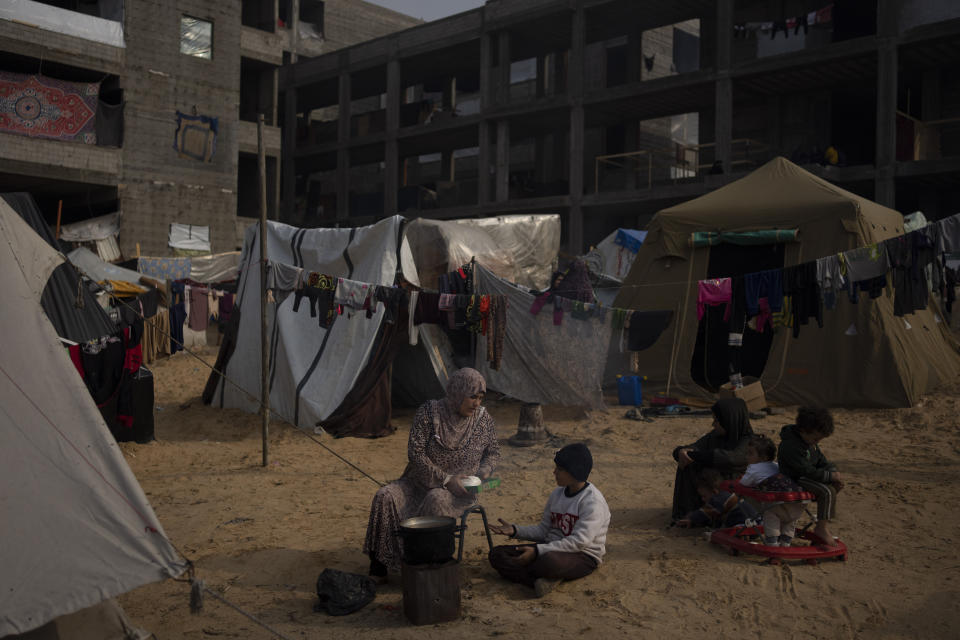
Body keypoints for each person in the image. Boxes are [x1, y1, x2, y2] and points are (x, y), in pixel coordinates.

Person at [363, 368, 500, 580]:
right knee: (385, 495)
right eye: (472, 396)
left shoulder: (483, 420)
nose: (477, 403)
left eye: (480, 397)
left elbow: (493, 453)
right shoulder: (429, 412)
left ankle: (426, 564)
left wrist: (482, 474)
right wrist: (445, 479)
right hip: (418, 482)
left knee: (436, 498)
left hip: (458, 493)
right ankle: (379, 564)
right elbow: (415, 453)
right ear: (457, 392)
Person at [488, 443, 610, 598]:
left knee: (549, 562)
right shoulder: (557, 494)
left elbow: (579, 542)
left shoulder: (592, 502)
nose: (554, 472)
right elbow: (543, 530)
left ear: (574, 472)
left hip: (582, 556)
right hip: (549, 547)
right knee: (496, 554)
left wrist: (537, 552)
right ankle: (544, 580)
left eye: (559, 469)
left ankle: (540, 574)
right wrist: (515, 530)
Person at [671, 397, 754, 523]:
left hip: (737, 492)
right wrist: (682, 452)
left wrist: (694, 455)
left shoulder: (750, 442)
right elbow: (692, 448)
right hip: (714, 484)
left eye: (717, 420)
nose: (713, 424)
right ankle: (686, 513)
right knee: (687, 462)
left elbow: (731, 459)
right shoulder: (715, 436)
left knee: (696, 461)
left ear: (729, 420)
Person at [777, 406, 842, 546]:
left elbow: (821, 461)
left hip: (806, 477)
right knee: (827, 491)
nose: (817, 442)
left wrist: (832, 471)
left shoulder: (810, 443)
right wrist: (829, 476)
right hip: (794, 479)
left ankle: (823, 522)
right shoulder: (791, 445)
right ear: (803, 430)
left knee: (836, 485)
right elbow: (805, 471)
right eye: (816, 438)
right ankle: (821, 528)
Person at [740, 435, 804, 547]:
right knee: (789, 521)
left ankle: (772, 543)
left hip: (776, 504)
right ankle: (786, 542)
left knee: (770, 515)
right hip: (797, 503)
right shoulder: (777, 465)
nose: (746, 457)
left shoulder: (754, 468)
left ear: (763, 457)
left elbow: (744, 484)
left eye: (750, 453)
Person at [674, 468, 757, 529]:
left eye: (704, 496)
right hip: (755, 522)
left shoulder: (719, 498)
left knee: (724, 535)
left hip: (747, 523)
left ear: (714, 492)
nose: (703, 499)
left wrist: (692, 518)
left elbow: (706, 512)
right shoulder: (725, 497)